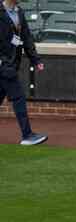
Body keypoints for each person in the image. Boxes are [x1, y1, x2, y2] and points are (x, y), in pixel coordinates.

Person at [0, 0, 48, 145]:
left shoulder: (19, 12)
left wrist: (36, 59)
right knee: (18, 97)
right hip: (4, 65)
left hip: (12, 63)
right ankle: (27, 135)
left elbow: (26, 37)